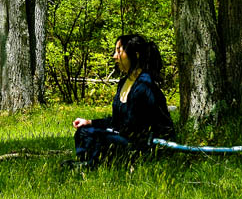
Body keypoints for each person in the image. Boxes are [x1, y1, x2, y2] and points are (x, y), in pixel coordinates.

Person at [71, 34, 176, 169]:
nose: (115, 56)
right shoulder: (123, 83)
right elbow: (117, 121)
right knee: (83, 131)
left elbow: (135, 128)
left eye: (119, 51)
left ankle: (93, 164)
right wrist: (90, 122)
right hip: (123, 137)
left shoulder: (145, 85)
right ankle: (89, 162)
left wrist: (109, 131)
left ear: (136, 55)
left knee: (105, 139)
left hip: (141, 145)